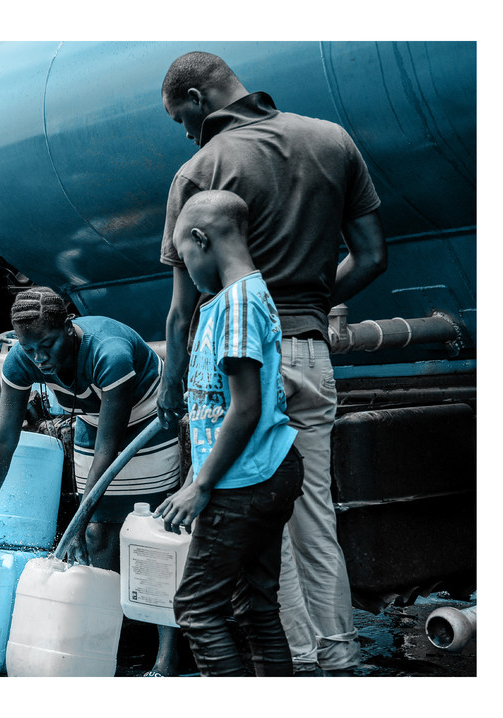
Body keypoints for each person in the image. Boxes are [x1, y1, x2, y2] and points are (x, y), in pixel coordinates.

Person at [157, 51, 387, 675]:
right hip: (310, 351)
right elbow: (370, 258)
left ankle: (298, 664)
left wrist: (171, 388)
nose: (184, 131)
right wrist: (312, 303)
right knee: (313, 509)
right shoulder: (332, 140)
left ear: (199, 100)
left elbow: (183, 311)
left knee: (259, 521)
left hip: (241, 361)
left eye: (182, 116)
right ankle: (338, 655)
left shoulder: (199, 168)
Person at [0, 287, 183, 676]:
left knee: (152, 537)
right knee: (98, 535)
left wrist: (75, 525)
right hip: (94, 420)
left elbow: (107, 450)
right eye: (29, 349)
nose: (39, 358)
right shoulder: (22, 358)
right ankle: (105, 640)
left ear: (69, 328)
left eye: (47, 345)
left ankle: (166, 655)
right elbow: (3, 436)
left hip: (148, 421)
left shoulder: (108, 353)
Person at [154, 190, 304, 676]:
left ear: (201, 239)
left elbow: (244, 410)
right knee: (256, 607)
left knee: (197, 610)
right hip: (266, 471)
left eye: (184, 255)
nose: (186, 268)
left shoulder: (236, 305)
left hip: (243, 482)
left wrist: (200, 485)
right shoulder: (245, 295)